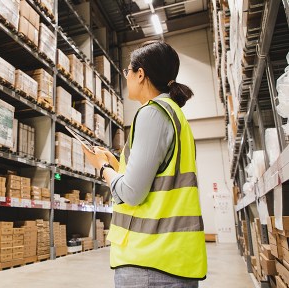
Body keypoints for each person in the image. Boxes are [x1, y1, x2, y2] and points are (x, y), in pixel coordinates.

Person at [83, 40, 207, 287]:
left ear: (141, 74)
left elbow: (131, 193)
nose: (126, 76)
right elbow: (154, 181)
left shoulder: (151, 113)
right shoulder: (173, 113)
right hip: (170, 258)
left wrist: (102, 167)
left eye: (127, 71)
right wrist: (116, 163)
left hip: (150, 261)